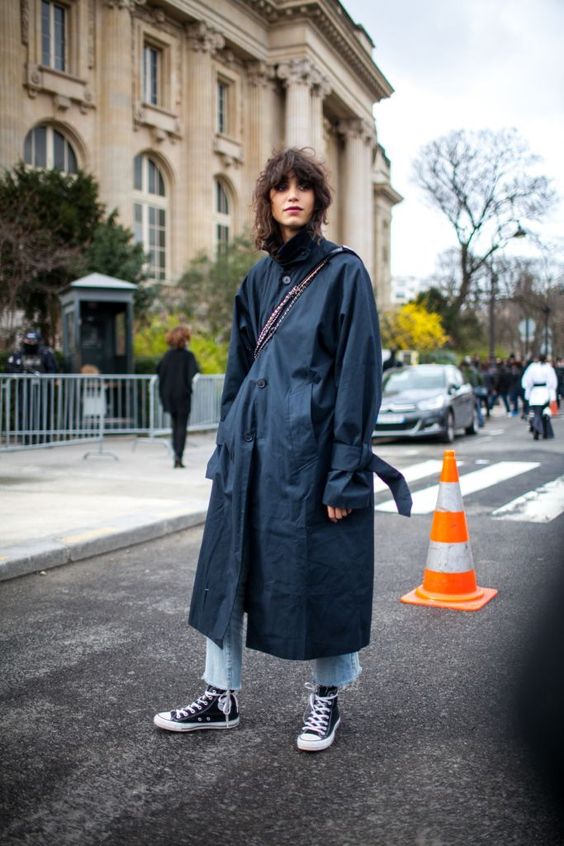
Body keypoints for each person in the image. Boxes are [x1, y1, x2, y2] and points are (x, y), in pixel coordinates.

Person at [153, 147, 411, 753]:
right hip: (252, 455)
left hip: (314, 457)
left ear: (319, 200)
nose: (292, 194)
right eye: (281, 187)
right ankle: (220, 695)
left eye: (304, 186)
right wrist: (224, 449)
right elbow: (240, 375)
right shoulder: (256, 279)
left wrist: (347, 472)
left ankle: (326, 700)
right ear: (269, 200)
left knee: (325, 572)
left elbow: (358, 377)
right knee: (226, 569)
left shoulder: (345, 272)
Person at [157, 325, 200, 468]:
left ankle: (176, 453)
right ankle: (178, 456)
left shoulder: (166, 357)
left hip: (168, 394)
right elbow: (193, 374)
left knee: (174, 425)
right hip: (183, 394)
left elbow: (160, 372)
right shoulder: (189, 357)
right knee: (181, 425)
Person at [522, 353, 557, 440]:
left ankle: (537, 427)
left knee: (535, 412)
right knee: (544, 412)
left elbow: (527, 381)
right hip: (545, 392)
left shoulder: (532, 367)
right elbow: (552, 382)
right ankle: (544, 430)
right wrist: (552, 395)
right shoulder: (548, 368)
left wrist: (527, 392)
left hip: (535, 393)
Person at [460, 356, 485, 428]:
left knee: (471, 408)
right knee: (478, 407)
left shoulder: (465, 373)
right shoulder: (474, 370)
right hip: (476, 390)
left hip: (469, 391)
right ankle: (481, 422)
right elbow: (481, 380)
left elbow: (464, 382)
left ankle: (476, 422)